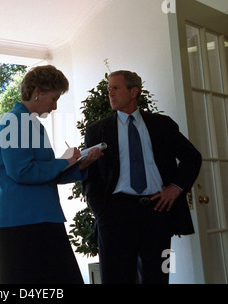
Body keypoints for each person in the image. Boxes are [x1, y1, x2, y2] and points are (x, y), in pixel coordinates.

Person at [83, 70, 202, 284]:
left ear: (133, 91)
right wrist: (100, 210)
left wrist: (176, 188)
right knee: (116, 278)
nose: (110, 93)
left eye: (116, 88)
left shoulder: (163, 125)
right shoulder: (97, 130)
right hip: (114, 214)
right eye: (108, 89)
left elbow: (192, 157)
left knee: (159, 275)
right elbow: (90, 175)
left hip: (158, 212)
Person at [0, 65, 102, 284]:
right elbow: (21, 172)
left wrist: (79, 164)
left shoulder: (30, 123)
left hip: (40, 219)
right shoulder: (15, 121)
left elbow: (43, 173)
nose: (55, 106)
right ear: (36, 91)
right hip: (23, 224)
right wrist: (65, 161)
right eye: (53, 98)